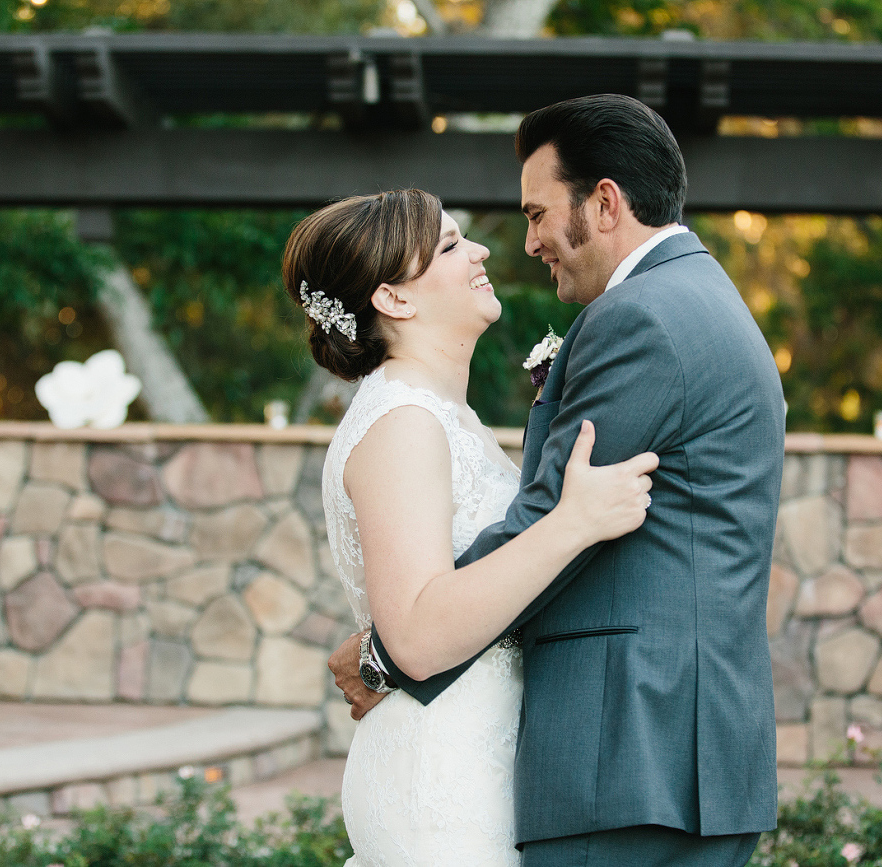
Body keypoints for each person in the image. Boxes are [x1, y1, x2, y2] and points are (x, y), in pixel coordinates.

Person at [333, 94, 786, 867]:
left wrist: (389, 651)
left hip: (627, 746)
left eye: (538, 213)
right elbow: (562, 521)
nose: (526, 239)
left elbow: (548, 522)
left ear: (603, 202)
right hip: (670, 749)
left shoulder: (639, 317)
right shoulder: (700, 299)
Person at [283, 187, 659, 866]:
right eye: (452, 244)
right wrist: (572, 523)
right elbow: (419, 636)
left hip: (472, 758)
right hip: (440, 783)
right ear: (394, 300)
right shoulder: (403, 423)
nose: (482, 249)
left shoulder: (439, 416)